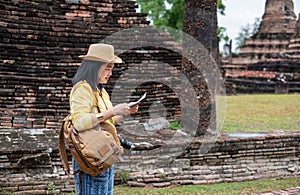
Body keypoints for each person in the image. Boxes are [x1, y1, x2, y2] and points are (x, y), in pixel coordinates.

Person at [69, 43, 138, 195]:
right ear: (95, 66)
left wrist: (124, 112)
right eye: (107, 67)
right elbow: (79, 123)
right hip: (90, 156)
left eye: (112, 68)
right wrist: (113, 111)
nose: (110, 72)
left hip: (105, 154)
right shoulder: (82, 88)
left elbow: (106, 122)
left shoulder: (101, 91)